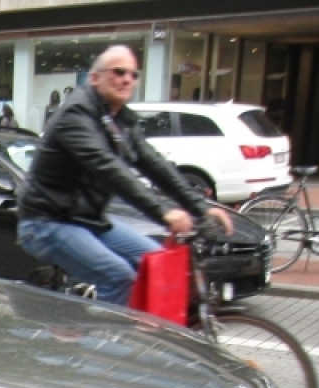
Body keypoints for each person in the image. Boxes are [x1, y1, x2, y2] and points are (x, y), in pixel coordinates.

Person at [16, 45, 234, 306]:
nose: (127, 79)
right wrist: (164, 213)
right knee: (119, 277)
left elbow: (154, 164)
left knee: (156, 259)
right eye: (118, 72)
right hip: (48, 223)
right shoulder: (76, 116)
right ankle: (99, 346)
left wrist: (199, 208)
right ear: (95, 78)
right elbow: (109, 169)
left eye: (133, 74)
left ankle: (134, 334)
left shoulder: (120, 120)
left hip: (90, 221)